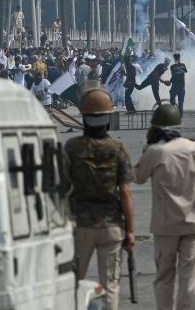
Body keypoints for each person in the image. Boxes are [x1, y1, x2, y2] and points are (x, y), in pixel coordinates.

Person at [134, 104, 195, 310]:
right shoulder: (194, 149)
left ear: (155, 127)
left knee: (164, 278)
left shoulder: (154, 152)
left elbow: (137, 177)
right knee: (189, 280)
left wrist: (148, 146)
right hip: (192, 224)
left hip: (164, 227)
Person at [65, 89, 135, 310]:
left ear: (84, 117)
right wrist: (131, 231)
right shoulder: (117, 149)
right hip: (111, 226)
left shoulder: (72, 147)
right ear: (107, 119)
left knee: (73, 286)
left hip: (80, 226)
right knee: (110, 287)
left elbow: (61, 187)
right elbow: (125, 192)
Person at [167, 53, 187, 117]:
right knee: (180, 102)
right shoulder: (183, 65)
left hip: (175, 86)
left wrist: (169, 82)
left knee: (172, 100)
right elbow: (185, 71)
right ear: (179, 58)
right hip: (181, 86)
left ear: (174, 58)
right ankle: (180, 116)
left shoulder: (172, 66)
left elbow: (173, 76)